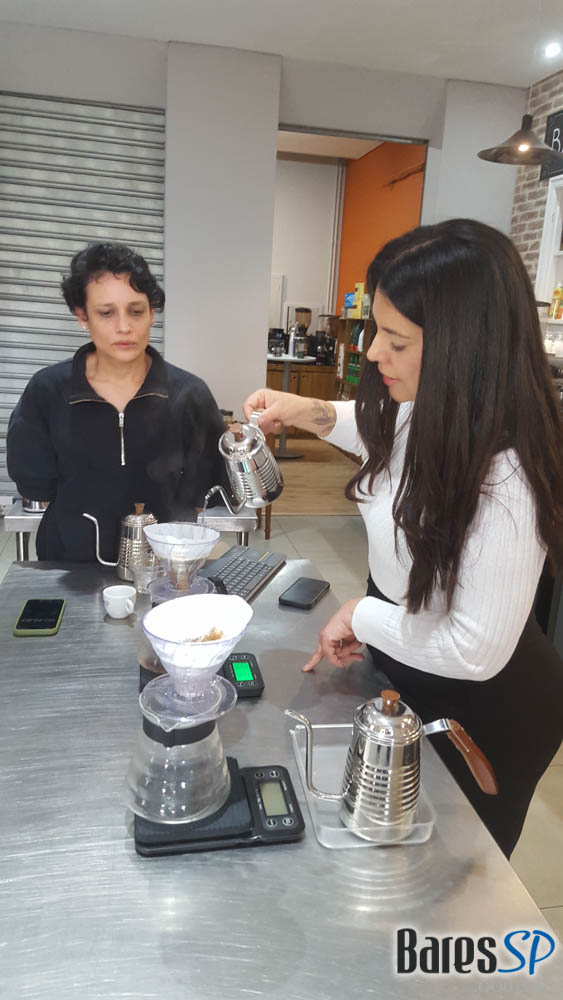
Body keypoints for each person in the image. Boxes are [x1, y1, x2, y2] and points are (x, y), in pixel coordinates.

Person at [244, 218, 563, 858]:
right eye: (374, 330)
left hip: (483, 707)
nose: (371, 353)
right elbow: (375, 430)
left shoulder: (508, 476)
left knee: (443, 878)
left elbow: (472, 650)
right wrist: (302, 410)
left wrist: (363, 615)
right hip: (411, 659)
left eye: (395, 340)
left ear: (463, 346)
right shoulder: (435, 404)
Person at [7, 242, 228, 562]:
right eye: (106, 313)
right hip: (68, 564)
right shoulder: (49, 391)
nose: (124, 327)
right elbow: (34, 483)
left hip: (163, 566)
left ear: (152, 313)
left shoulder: (187, 394)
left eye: (136, 311)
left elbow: (204, 491)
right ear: (82, 316)